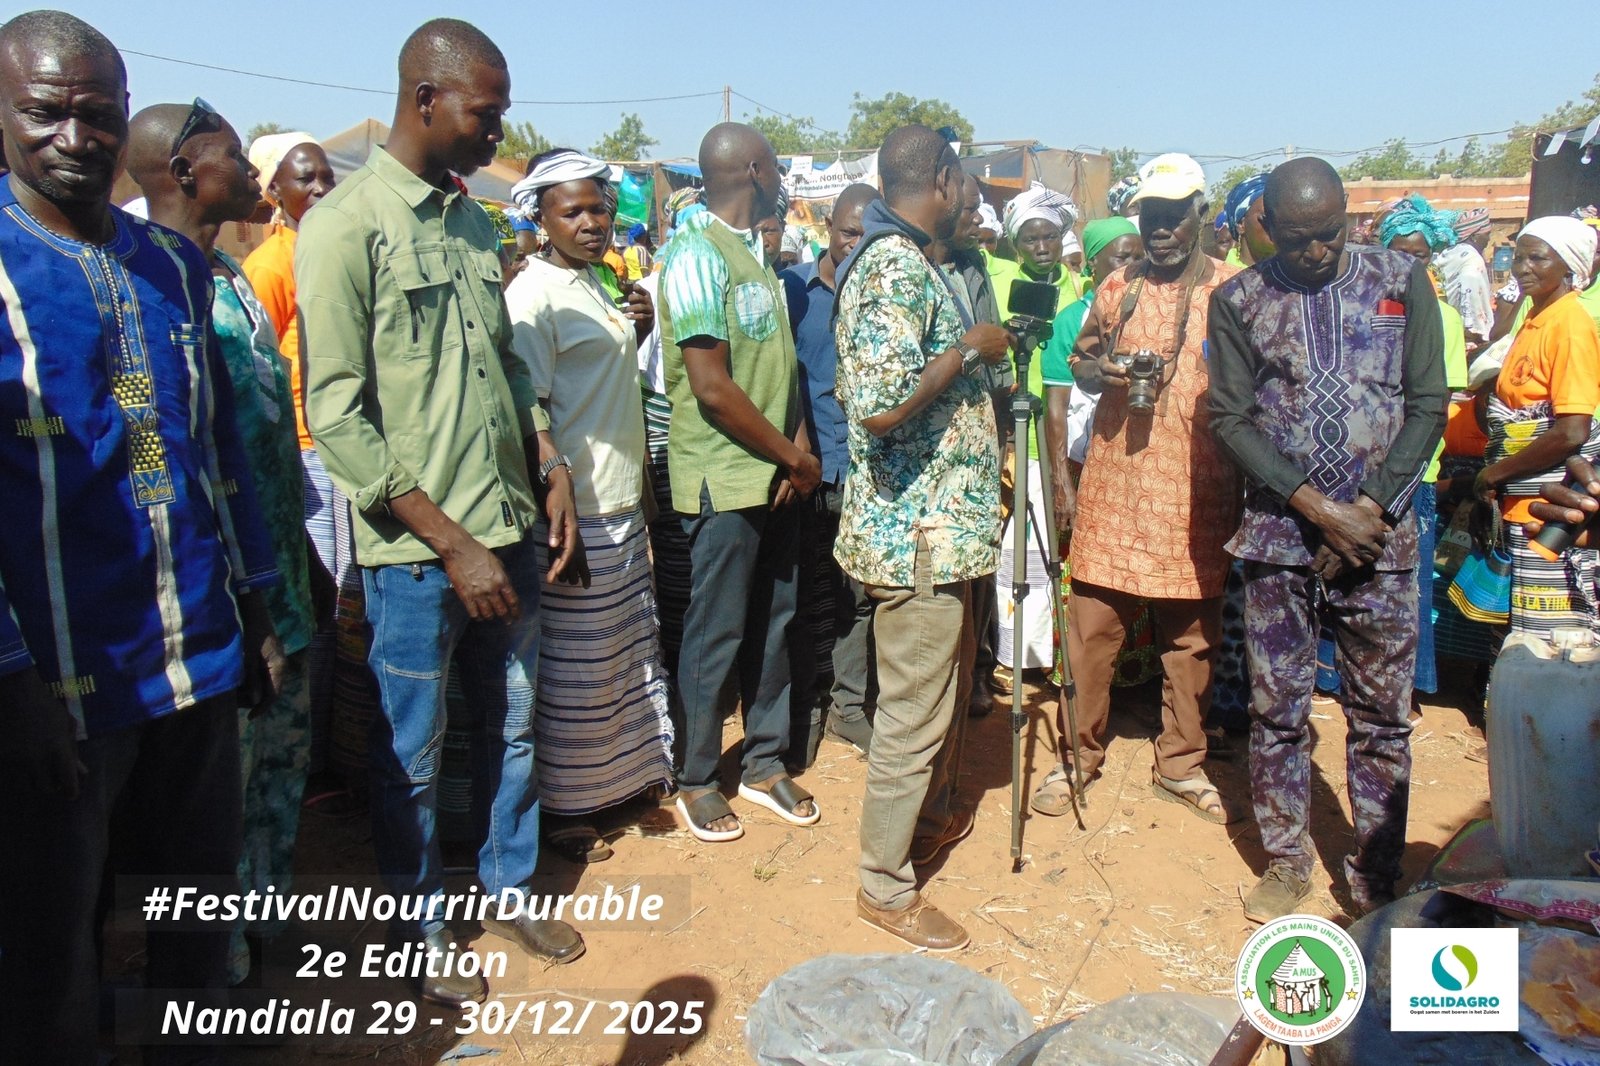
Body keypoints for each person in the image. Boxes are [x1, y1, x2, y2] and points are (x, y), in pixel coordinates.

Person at [0, 14, 284, 1060]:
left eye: (96, 113)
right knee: (50, 949)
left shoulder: (167, 268)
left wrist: (253, 607)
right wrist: (10, 683)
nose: (74, 137)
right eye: (45, 112)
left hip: (194, 663)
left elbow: (186, 444)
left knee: (193, 918)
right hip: (58, 685)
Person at [296, 19, 589, 1006]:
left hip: (507, 531)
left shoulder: (470, 223)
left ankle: (510, 886)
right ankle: (420, 931)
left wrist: (546, 457)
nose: (497, 133)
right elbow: (337, 415)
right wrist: (454, 543)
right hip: (421, 558)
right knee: (411, 753)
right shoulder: (345, 225)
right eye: (486, 113)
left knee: (512, 726)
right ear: (426, 99)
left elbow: (503, 364)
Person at [1209, 157, 1447, 922]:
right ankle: (1287, 863)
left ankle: (1376, 874)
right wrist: (1317, 508)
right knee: (1278, 712)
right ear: (1266, 227)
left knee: (1381, 718)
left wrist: (1368, 510)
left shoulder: (1401, 280)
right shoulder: (1239, 300)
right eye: (1298, 239)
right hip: (1279, 542)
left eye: (1331, 234)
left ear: (1349, 216)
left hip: (1381, 545)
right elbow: (1230, 419)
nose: (1316, 252)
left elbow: (1429, 403)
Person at [130, 101, 325, 985]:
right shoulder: (141, 287)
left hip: (276, 570)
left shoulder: (232, 277)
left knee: (279, 763)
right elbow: (152, 456)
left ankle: (260, 928)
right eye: (234, 158)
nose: (253, 172)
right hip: (211, 597)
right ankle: (213, 971)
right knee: (213, 788)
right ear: (182, 172)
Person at [834, 124, 1013, 951]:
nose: (968, 197)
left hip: (948, 530)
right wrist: (969, 349)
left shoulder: (919, 262)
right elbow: (879, 404)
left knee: (940, 702)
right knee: (911, 713)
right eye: (964, 182)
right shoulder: (892, 268)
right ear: (941, 180)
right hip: (918, 536)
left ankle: (926, 823)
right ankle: (884, 885)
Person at [1037, 154, 1242, 822]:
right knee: (1092, 631)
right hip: (1115, 491)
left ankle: (1181, 764)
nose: (1160, 230)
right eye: (1151, 217)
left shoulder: (1233, 291)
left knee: (1192, 640)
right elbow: (1080, 362)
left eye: (1174, 217)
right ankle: (1076, 757)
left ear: (1199, 216)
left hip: (1199, 491)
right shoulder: (1117, 286)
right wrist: (1101, 371)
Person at [502, 148, 675, 863]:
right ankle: (567, 806)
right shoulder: (533, 295)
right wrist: (558, 493)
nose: (591, 222)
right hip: (579, 505)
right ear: (540, 219)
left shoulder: (595, 282)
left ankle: (615, 784)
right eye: (571, 211)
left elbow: (601, 379)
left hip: (619, 498)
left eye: (598, 208)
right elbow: (530, 407)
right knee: (576, 664)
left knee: (615, 653)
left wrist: (637, 328)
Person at [657, 122, 819, 842]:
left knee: (774, 623)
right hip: (724, 478)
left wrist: (796, 449)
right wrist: (792, 457)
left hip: (776, 473)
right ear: (755, 169)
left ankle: (763, 762)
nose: (782, 179)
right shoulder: (695, 253)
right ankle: (695, 777)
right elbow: (712, 388)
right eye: (777, 166)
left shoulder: (755, 252)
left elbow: (778, 367)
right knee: (716, 631)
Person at [780, 182, 882, 757]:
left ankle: (847, 707)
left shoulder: (881, 291)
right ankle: (802, 708)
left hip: (862, 471)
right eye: (848, 232)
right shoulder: (792, 290)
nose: (856, 244)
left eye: (868, 235)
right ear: (827, 229)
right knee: (800, 596)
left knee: (856, 598)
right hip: (806, 471)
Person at [1473, 216, 1600, 638]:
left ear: (1569, 266)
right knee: (1515, 630)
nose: (1522, 268)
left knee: (1549, 637)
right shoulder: (1533, 319)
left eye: (1537, 258)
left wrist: (1494, 472)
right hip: (1521, 497)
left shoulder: (1571, 325)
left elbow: (1572, 430)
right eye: (1519, 257)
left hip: (1551, 503)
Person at [946, 174, 1009, 716]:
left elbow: (994, 344)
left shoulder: (974, 265)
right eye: (969, 209)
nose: (977, 219)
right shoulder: (917, 268)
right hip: (942, 437)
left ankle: (980, 668)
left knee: (981, 563)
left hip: (983, 429)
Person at [988, 182, 1084, 332]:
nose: (1042, 249)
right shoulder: (995, 284)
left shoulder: (1083, 287)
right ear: (1016, 246)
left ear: (1061, 239)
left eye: (1050, 237)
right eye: (1030, 240)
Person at [1433, 206, 1495, 348]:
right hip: (1465, 338)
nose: (1489, 239)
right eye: (1487, 234)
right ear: (1474, 236)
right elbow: (1471, 293)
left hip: (1442, 328)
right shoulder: (1473, 260)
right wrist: (1478, 333)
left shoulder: (1449, 253)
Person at [1222, 173, 1273, 268]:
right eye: (1267, 216)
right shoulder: (1225, 275)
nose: (1277, 223)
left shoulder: (1293, 271)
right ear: (1241, 225)